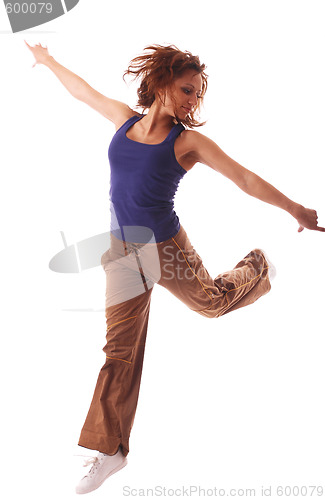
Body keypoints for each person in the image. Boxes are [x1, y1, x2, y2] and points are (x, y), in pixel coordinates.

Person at [25, 41, 324, 494]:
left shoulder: (187, 142)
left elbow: (244, 178)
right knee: (117, 351)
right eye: (187, 89)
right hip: (122, 251)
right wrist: (47, 61)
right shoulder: (123, 119)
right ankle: (111, 451)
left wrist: (295, 209)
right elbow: (82, 92)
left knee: (212, 304)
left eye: (196, 96)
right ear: (162, 82)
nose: (191, 100)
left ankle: (258, 267)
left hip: (165, 248)